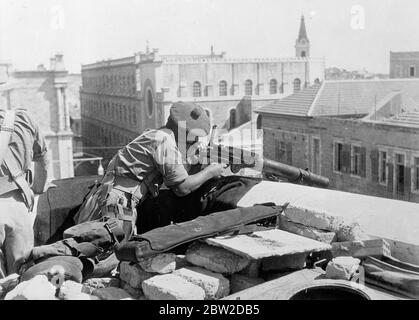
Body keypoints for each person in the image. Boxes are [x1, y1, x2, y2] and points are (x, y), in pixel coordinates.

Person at [72, 101, 224, 241]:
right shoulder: (165, 142)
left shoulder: (156, 134)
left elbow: (175, 174)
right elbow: (182, 188)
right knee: (104, 259)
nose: (195, 142)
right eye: (194, 137)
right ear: (182, 131)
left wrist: (194, 160)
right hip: (116, 206)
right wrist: (211, 171)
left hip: (106, 200)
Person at [0, 108, 50, 278]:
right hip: (17, 209)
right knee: (21, 280)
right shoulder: (22, 118)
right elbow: (43, 157)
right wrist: (38, 188)